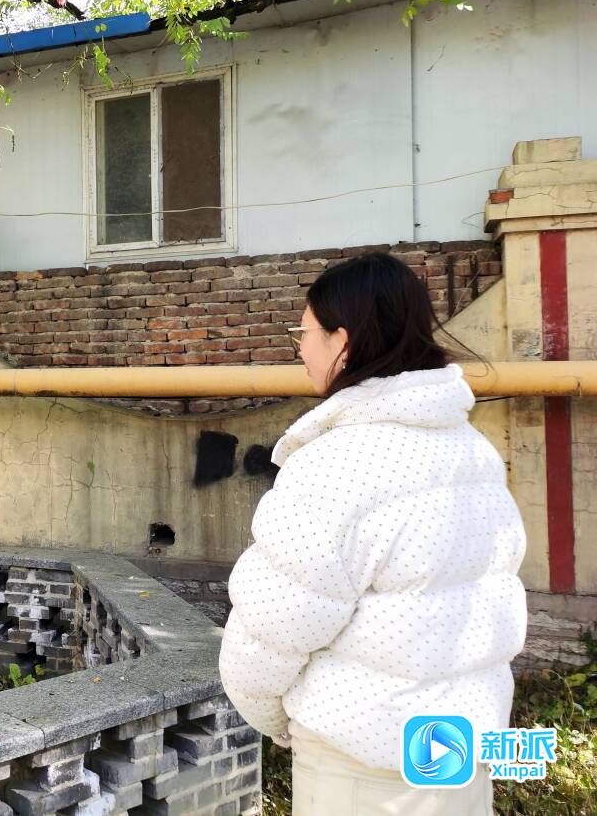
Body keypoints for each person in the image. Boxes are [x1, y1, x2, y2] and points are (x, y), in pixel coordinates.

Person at [218, 253, 527, 816]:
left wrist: (276, 720)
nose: (299, 350)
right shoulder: (474, 450)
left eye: (304, 333)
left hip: (362, 765)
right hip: (463, 750)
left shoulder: (339, 462)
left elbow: (273, 629)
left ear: (343, 341)